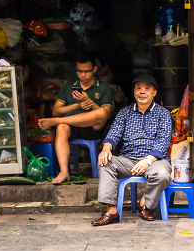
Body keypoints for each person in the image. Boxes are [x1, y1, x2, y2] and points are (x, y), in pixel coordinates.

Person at [91, 75, 173, 226]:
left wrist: (148, 160)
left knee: (162, 174)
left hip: (155, 160)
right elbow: (113, 133)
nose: (142, 91)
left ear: (154, 93)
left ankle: (146, 204)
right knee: (104, 162)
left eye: (147, 88)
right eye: (138, 88)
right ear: (134, 92)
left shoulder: (163, 114)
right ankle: (111, 210)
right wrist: (106, 148)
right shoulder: (124, 113)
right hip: (128, 160)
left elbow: (163, 141)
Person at [39, 54, 113, 184]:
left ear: (94, 70)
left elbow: (106, 114)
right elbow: (56, 111)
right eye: (80, 71)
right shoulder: (68, 87)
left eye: (87, 71)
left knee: (101, 113)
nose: (83, 74)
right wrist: (77, 105)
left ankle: (57, 122)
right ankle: (64, 172)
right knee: (62, 127)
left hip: (92, 128)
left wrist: (88, 101)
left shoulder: (103, 88)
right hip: (71, 128)